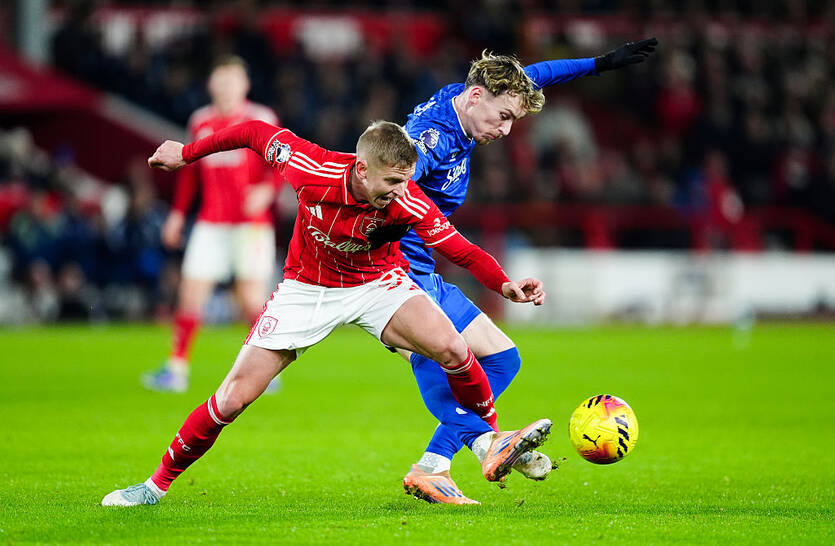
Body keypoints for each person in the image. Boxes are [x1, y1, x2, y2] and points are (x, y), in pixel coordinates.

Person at [102, 119, 550, 507]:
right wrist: (187, 152)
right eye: (391, 182)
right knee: (232, 399)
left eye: (406, 181)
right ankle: (153, 486)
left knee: (454, 348)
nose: (401, 192)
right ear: (360, 168)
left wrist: (505, 284)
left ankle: (489, 442)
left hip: (378, 283)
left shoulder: (408, 200)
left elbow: (461, 249)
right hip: (305, 291)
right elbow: (255, 133)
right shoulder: (309, 167)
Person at [399, 39, 658, 503]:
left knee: (501, 359)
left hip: (420, 270)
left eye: (513, 120)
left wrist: (600, 63)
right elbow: (390, 188)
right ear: (477, 96)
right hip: (394, 271)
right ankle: (481, 446)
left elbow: (540, 73)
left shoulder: (473, 101)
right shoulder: (430, 139)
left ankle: (436, 464)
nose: (506, 129)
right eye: (504, 118)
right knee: (446, 360)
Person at [143, 55, 283, 393]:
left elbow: (281, 161)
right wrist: (177, 214)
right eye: (220, 81)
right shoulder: (201, 121)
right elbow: (189, 173)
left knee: (250, 300)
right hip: (211, 221)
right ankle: (176, 368)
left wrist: (266, 190)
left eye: (233, 81)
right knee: (190, 294)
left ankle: (268, 370)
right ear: (211, 85)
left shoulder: (261, 118)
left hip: (251, 224)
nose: (226, 88)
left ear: (245, 86)